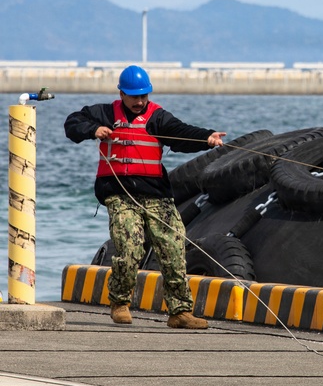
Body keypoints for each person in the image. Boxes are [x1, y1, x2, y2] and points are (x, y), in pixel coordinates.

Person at [64, 64, 226, 329]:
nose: (139, 101)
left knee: (173, 246)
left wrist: (206, 137)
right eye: (134, 96)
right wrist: (93, 130)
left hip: (156, 195)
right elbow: (72, 123)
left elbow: (180, 132)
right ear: (122, 94)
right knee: (130, 246)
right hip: (120, 194)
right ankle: (119, 302)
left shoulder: (157, 117)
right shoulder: (105, 113)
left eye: (143, 96)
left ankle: (180, 312)